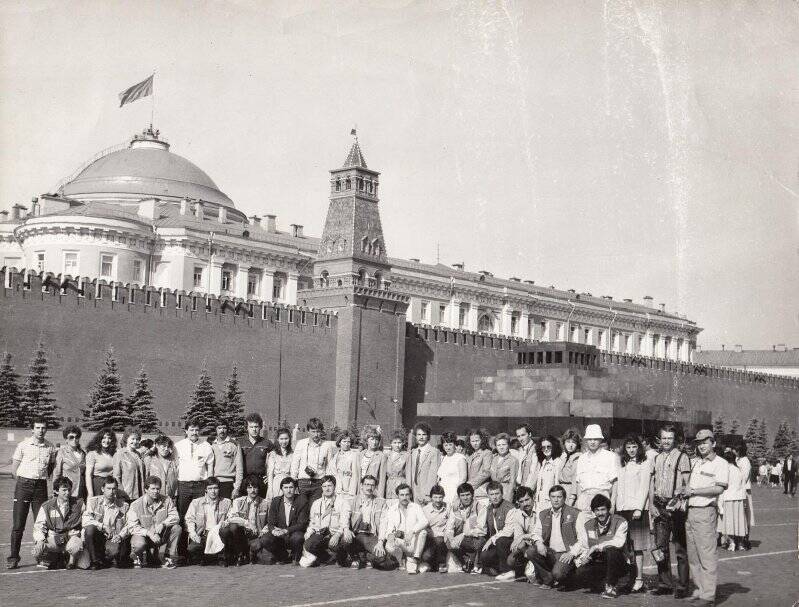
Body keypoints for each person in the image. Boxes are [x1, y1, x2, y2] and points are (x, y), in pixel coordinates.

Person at [685, 429, 729, 607]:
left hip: (705, 512)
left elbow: (719, 489)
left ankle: (708, 596)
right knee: (693, 555)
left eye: (705, 442)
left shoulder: (720, 463)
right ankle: (698, 589)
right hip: (691, 511)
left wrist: (693, 491)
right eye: (699, 442)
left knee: (707, 555)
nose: (701, 445)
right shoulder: (696, 463)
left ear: (714, 443)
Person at [7, 417, 57, 569]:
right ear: (32, 429)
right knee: (18, 524)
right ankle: (14, 558)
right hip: (24, 485)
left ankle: (40, 556)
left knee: (41, 524)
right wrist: (24, 481)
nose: (40, 431)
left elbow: (50, 468)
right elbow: (14, 470)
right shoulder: (23, 445)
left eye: (43, 428)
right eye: (38, 428)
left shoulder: (50, 447)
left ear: (46, 430)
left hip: (40, 486)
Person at [649, 424, 691, 598]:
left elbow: (687, 484)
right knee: (660, 548)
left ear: (675, 440)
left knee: (680, 549)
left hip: (676, 507)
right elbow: (652, 483)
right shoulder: (656, 458)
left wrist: (682, 502)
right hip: (659, 506)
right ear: (660, 439)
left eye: (670, 438)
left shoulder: (682, 457)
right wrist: (651, 505)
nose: (666, 441)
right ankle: (665, 583)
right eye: (664, 438)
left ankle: (682, 586)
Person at [573, 494, 632, 598]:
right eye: (597, 510)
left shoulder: (620, 521)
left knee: (611, 550)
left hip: (619, 561)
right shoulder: (589, 524)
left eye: (603, 509)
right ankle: (603, 583)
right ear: (593, 512)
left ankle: (611, 587)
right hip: (600, 561)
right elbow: (586, 546)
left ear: (608, 509)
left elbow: (619, 542)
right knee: (580, 573)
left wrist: (597, 547)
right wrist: (584, 558)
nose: (600, 513)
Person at [174, 417, 215, 558]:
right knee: (183, 518)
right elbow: (175, 467)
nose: (194, 432)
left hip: (200, 486)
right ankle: (182, 553)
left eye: (197, 430)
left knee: (200, 518)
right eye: (191, 430)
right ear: (186, 431)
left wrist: (208, 485)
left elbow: (210, 467)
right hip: (183, 485)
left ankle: (197, 552)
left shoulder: (206, 446)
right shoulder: (178, 446)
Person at [615, 434, 651, 593]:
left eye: (634, 447)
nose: (631, 450)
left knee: (637, 546)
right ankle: (630, 576)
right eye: (628, 447)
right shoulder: (621, 463)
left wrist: (639, 508)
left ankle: (639, 579)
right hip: (622, 508)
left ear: (639, 447)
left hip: (637, 510)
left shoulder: (644, 463)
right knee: (625, 545)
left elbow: (644, 487)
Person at [529, 484, 580, 590]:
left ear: (564, 498)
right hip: (551, 552)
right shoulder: (543, 514)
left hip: (566, 554)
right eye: (553, 497)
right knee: (531, 551)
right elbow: (536, 532)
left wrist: (572, 553)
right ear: (550, 498)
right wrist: (539, 543)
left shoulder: (575, 513)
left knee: (558, 574)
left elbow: (582, 539)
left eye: (559, 497)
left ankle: (569, 577)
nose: (556, 500)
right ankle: (548, 579)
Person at [126, 475, 181, 569]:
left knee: (177, 528)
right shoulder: (136, 505)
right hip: (144, 536)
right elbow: (132, 526)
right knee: (139, 544)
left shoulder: (167, 500)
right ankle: (137, 556)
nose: (156, 491)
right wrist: (149, 533)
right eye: (153, 488)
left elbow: (175, 517)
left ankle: (168, 556)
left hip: (159, 536)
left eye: (158, 488)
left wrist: (163, 524)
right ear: (146, 489)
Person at [374, 483, 429, 573]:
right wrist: (390, 535)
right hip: (401, 541)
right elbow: (390, 527)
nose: (404, 497)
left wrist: (412, 531)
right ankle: (402, 559)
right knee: (389, 546)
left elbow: (424, 521)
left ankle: (414, 559)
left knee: (423, 532)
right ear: (398, 496)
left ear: (410, 495)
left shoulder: (416, 507)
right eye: (402, 495)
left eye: (407, 494)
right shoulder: (392, 509)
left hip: (413, 542)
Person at [32, 476, 85, 569]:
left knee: (84, 564)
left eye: (69, 490)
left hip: (72, 537)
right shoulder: (47, 506)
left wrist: (83, 539)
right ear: (56, 491)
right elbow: (39, 526)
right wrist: (40, 540)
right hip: (55, 538)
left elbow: (86, 523)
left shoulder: (79, 503)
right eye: (64, 490)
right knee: (38, 550)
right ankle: (56, 556)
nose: (67, 493)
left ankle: (71, 561)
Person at [255, 476, 309, 565]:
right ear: (282, 489)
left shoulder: (302, 500)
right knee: (265, 539)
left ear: (295, 489)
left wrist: (286, 530)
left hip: (294, 532)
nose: (289, 490)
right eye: (286, 488)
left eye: (291, 487)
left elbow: (302, 524)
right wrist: (273, 530)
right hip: (280, 534)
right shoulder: (276, 501)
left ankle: (296, 556)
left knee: (297, 538)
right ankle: (283, 556)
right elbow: (271, 522)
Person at [299, 475, 350, 567]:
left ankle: (342, 557)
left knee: (344, 541)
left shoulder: (342, 502)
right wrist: (309, 532)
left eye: (330, 486)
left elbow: (345, 522)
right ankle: (327, 558)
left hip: (336, 534)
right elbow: (312, 522)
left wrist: (337, 535)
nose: (327, 489)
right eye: (324, 486)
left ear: (334, 486)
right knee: (308, 544)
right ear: (321, 488)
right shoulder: (316, 503)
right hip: (321, 534)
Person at [82, 476, 130, 569]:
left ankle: (106, 559)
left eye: (114, 489)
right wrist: (103, 526)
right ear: (102, 489)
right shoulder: (92, 502)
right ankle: (94, 561)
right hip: (97, 537)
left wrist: (120, 535)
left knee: (113, 551)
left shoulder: (124, 506)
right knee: (89, 529)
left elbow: (129, 524)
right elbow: (85, 520)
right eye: (108, 488)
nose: (111, 491)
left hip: (113, 538)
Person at [185, 476, 233, 566]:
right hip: (203, 534)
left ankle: (222, 557)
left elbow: (231, 517)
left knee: (225, 531)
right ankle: (205, 557)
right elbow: (189, 519)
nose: (213, 491)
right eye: (210, 488)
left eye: (215, 488)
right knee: (192, 548)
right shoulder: (196, 502)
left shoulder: (226, 502)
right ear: (206, 490)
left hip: (218, 533)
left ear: (219, 489)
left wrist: (226, 522)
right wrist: (193, 533)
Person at [222, 474, 269, 565]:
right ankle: (239, 554)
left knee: (267, 559)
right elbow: (231, 518)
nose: (252, 490)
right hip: (241, 535)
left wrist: (263, 531)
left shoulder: (265, 503)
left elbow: (270, 522)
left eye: (255, 487)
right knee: (233, 527)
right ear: (246, 489)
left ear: (259, 488)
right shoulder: (238, 501)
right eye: (249, 487)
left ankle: (251, 552)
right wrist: (246, 523)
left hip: (257, 535)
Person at [343, 474, 386, 568]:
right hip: (356, 534)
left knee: (382, 558)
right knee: (345, 539)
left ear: (375, 487)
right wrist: (346, 529)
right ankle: (355, 557)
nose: (369, 487)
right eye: (366, 484)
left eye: (372, 485)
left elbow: (383, 523)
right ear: (361, 486)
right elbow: (345, 517)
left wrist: (380, 542)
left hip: (371, 535)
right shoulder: (351, 501)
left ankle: (366, 557)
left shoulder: (381, 502)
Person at [574, 424, 618, 512]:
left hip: (602, 498)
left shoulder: (610, 456)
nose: (592, 442)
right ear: (586, 441)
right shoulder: (582, 458)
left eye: (595, 439)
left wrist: (612, 504)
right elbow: (578, 483)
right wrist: (579, 501)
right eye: (590, 439)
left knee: (602, 525)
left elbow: (615, 483)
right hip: (584, 498)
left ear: (601, 440)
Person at [445, 482, 487, 573]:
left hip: (474, 537)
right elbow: (449, 528)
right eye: (462, 495)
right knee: (448, 541)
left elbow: (482, 530)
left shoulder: (480, 506)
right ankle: (465, 561)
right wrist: (452, 539)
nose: (465, 498)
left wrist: (464, 534)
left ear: (472, 494)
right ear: (459, 496)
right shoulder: (455, 508)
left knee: (479, 542)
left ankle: (476, 563)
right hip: (461, 539)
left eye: (468, 494)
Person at [292, 418, 336, 503]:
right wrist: (294, 481)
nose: (316, 434)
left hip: (318, 483)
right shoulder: (301, 444)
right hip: (302, 483)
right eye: (313, 431)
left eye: (318, 431)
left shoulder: (327, 446)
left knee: (314, 509)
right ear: (308, 431)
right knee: (302, 510)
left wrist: (326, 483)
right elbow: (295, 463)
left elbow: (329, 466)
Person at [479, 481, 515, 579]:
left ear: (502, 494)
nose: (494, 497)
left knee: (501, 541)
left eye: (497, 493)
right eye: (492, 494)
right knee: (484, 555)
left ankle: (507, 571)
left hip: (509, 542)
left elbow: (509, 531)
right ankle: (497, 568)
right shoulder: (489, 508)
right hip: (496, 542)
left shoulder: (509, 508)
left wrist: (491, 539)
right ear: (488, 496)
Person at [504, 485, 537, 579]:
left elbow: (539, 535)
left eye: (527, 499)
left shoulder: (540, 511)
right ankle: (527, 570)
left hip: (542, 544)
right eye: (521, 501)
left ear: (533, 498)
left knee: (529, 549)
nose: (525, 504)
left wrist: (523, 537)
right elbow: (518, 536)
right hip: (528, 544)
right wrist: (522, 548)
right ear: (518, 503)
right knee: (511, 559)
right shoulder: (517, 514)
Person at [717, 450, 747, 552]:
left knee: (728, 522)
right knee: (738, 522)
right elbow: (743, 486)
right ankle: (740, 543)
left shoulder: (726, 470)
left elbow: (722, 487)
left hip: (728, 499)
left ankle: (732, 543)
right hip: (738, 499)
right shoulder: (738, 470)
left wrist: (719, 503)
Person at [406, 422, 442, 505]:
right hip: (413, 492)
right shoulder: (413, 452)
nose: (421, 437)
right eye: (419, 435)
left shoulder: (434, 452)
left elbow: (433, 475)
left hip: (426, 493)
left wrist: (428, 494)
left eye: (424, 434)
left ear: (428, 436)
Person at [240, 413, 274, 497]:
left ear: (260, 427)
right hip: (245, 480)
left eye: (256, 427)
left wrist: (270, 475)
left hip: (261, 481)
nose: (254, 429)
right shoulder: (240, 442)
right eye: (251, 427)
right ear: (247, 428)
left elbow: (276, 460)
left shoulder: (267, 443)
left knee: (261, 506)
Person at [211, 421, 244, 499]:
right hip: (214, 484)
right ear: (216, 429)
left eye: (224, 428)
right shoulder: (211, 444)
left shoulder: (234, 444)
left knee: (227, 509)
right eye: (219, 428)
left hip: (228, 483)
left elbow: (239, 467)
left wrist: (237, 487)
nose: (222, 430)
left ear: (227, 429)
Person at [420, 484, 450, 572]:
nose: (438, 500)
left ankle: (442, 563)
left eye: (440, 497)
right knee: (426, 556)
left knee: (440, 540)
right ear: (431, 497)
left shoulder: (448, 507)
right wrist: (433, 535)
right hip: (430, 538)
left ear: (443, 497)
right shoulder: (425, 510)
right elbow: (423, 527)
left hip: (443, 538)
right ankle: (431, 563)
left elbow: (450, 524)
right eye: (435, 497)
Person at [112, 426, 146, 502]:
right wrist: (121, 492)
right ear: (126, 439)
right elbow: (116, 477)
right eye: (132, 439)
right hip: (126, 494)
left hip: (140, 494)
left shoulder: (138, 454)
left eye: (137, 439)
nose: (135, 441)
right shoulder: (119, 454)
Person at [327, 430, 361, 504]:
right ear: (339, 442)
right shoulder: (335, 456)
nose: (347, 444)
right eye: (344, 441)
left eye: (348, 442)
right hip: (336, 490)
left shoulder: (354, 455)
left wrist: (352, 492)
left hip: (347, 491)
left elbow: (355, 475)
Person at [54, 425, 86, 500]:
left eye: (77, 437)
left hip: (81, 492)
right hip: (67, 492)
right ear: (66, 439)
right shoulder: (61, 453)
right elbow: (56, 474)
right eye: (71, 437)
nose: (74, 439)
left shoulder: (83, 454)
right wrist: (55, 493)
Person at [732, 442, 754, 549]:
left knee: (745, 515)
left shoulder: (745, 461)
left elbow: (744, 477)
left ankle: (745, 539)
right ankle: (738, 538)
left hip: (743, 490)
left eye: (735, 450)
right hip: (736, 490)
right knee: (738, 515)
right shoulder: (737, 459)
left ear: (739, 451)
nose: (733, 451)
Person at [534, 435, 564, 514]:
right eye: (543, 447)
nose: (546, 449)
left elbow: (557, 484)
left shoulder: (557, 462)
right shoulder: (543, 462)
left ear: (554, 447)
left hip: (550, 502)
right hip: (540, 501)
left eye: (549, 447)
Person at [437, 431, 468, 506]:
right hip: (442, 495)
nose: (447, 447)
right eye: (445, 445)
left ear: (455, 445)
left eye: (450, 444)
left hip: (454, 494)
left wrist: (456, 497)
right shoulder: (443, 458)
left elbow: (463, 479)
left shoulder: (460, 458)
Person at [85, 428, 117, 498]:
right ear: (99, 439)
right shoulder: (92, 454)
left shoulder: (113, 454)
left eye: (109, 438)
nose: (107, 440)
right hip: (97, 485)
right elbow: (88, 475)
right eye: (104, 438)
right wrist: (90, 493)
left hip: (110, 485)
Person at [144, 435, 178, 500]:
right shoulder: (149, 459)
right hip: (154, 495)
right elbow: (145, 478)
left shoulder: (172, 460)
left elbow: (176, 478)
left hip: (170, 497)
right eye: (164, 446)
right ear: (157, 445)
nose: (166, 449)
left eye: (168, 447)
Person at [265, 427, 294, 501]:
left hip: (288, 483)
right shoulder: (273, 454)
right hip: (276, 484)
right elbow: (270, 473)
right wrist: (270, 489)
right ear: (277, 439)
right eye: (281, 439)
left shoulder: (292, 454)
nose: (284, 441)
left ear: (289, 439)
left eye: (286, 438)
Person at [466, 428, 493, 505]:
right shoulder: (470, 455)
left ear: (482, 440)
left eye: (477, 441)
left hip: (481, 492)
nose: (475, 443)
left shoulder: (487, 453)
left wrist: (469, 485)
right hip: (470, 493)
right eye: (472, 441)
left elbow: (486, 472)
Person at [489, 433, 519, 502]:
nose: (501, 447)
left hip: (505, 493)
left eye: (504, 444)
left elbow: (512, 482)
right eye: (498, 445)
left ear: (508, 445)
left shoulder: (513, 460)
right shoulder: (494, 459)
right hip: (493, 493)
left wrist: (508, 500)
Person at [359, 428, 387, 498]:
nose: (374, 442)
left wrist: (380, 496)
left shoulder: (381, 456)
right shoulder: (360, 454)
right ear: (367, 440)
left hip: (373, 490)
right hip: (360, 489)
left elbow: (382, 479)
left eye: (376, 439)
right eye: (372, 439)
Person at [558, 428, 582, 507]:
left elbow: (575, 479)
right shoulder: (565, 457)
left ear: (577, 444)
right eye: (568, 442)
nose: (570, 445)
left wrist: (571, 499)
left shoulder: (577, 458)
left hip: (570, 493)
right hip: (561, 490)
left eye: (574, 442)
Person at [513, 423, 539, 489]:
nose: (521, 439)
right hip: (519, 487)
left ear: (530, 434)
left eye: (523, 435)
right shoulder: (520, 450)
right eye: (518, 436)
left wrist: (527, 490)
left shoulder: (535, 449)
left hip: (528, 489)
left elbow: (533, 473)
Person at [386, 430, 409, 501]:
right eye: (394, 443)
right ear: (391, 443)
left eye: (399, 442)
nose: (397, 445)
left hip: (400, 484)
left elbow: (408, 473)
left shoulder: (406, 455)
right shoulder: (387, 455)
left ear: (403, 443)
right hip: (389, 485)